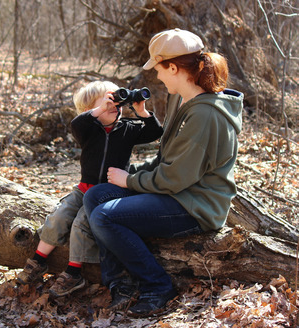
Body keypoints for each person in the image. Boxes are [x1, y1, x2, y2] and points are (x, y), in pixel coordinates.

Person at [83, 28, 244, 317]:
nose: (157, 77)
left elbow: (174, 177)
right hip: (176, 191)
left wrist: (131, 180)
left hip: (195, 204)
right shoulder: (180, 98)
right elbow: (167, 158)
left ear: (173, 67)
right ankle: (119, 282)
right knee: (96, 196)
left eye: (159, 70)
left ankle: (157, 286)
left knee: (104, 216)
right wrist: (130, 176)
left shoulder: (205, 115)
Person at [16, 80, 163, 298]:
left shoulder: (127, 129)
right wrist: (101, 108)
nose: (116, 106)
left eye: (118, 101)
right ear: (91, 110)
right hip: (84, 188)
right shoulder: (88, 130)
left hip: (108, 192)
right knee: (60, 215)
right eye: (110, 101)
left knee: (80, 224)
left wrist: (141, 111)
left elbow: (154, 133)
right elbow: (76, 124)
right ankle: (38, 261)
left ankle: (74, 273)